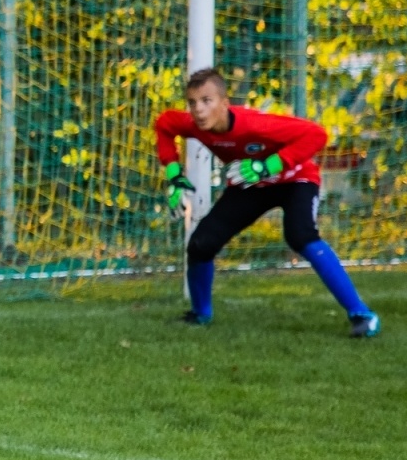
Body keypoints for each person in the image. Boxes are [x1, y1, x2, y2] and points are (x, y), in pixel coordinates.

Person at [157, 68, 380, 337]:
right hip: (252, 186)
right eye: (192, 103)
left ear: (225, 103)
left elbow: (316, 135)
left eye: (207, 101)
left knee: (300, 236)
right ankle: (200, 314)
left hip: (296, 180)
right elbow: (165, 124)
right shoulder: (194, 124)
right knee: (201, 244)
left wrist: (267, 166)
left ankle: (362, 314)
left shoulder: (254, 124)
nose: (199, 110)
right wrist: (174, 174)